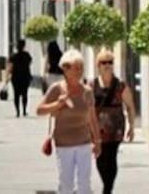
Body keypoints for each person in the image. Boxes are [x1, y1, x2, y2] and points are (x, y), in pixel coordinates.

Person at [37, 49, 101, 194]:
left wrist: (97, 141)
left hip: (84, 143)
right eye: (76, 68)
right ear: (65, 69)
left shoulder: (87, 91)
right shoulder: (56, 89)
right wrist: (57, 104)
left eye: (81, 67)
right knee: (66, 185)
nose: (79, 71)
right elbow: (40, 110)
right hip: (63, 145)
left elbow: (92, 118)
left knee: (84, 184)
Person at [92, 49, 137, 194]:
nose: (107, 65)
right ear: (98, 65)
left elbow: (130, 106)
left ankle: (107, 188)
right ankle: (107, 185)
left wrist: (132, 127)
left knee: (111, 157)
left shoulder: (120, 85)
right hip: (97, 128)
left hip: (116, 128)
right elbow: (86, 108)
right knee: (100, 158)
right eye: (103, 62)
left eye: (110, 62)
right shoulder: (91, 85)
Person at [6, 39, 33, 117]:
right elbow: (30, 63)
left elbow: (10, 67)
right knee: (25, 94)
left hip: (15, 77)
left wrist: (7, 77)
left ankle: (17, 112)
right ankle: (24, 110)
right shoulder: (27, 55)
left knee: (16, 94)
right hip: (25, 76)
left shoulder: (13, 56)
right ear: (24, 46)